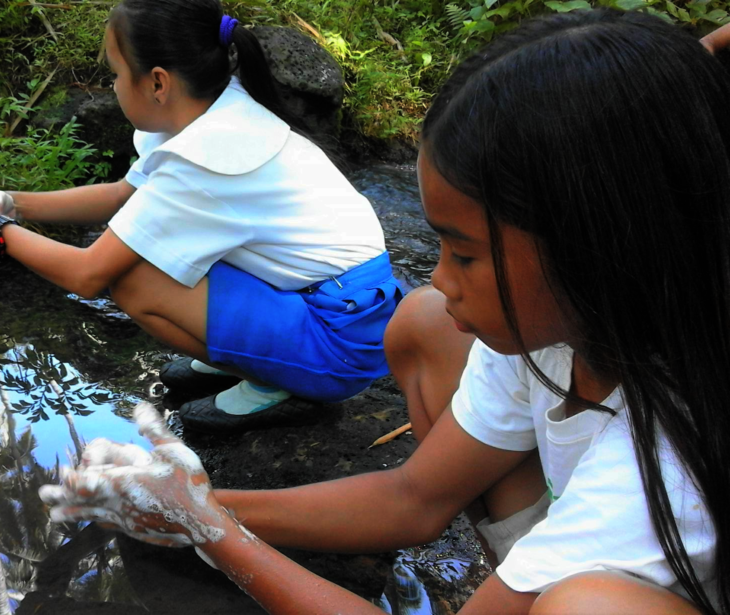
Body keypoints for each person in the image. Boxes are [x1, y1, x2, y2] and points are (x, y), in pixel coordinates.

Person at [38, 10, 730, 615]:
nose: (439, 276)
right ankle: (522, 576)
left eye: (464, 254)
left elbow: (97, 270)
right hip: (582, 529)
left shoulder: (667, 465)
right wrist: (185, 505)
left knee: (583, 606)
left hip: (619, 574)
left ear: (596, 247)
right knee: (427, 321)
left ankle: (535, 587)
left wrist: (215, 535)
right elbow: (413, 498)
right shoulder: (561, 330)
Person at [0, 0, 403, 435]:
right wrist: (13, 202)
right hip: (347, 307)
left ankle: (275, 379)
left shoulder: (205, 158)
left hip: (340, 340)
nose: (113, 87)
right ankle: (259, 358)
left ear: (157, 82)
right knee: (151, 252)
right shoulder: (214, 108)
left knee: (132, 279)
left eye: (115, 74)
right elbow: (122, 196)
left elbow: (88, 276)